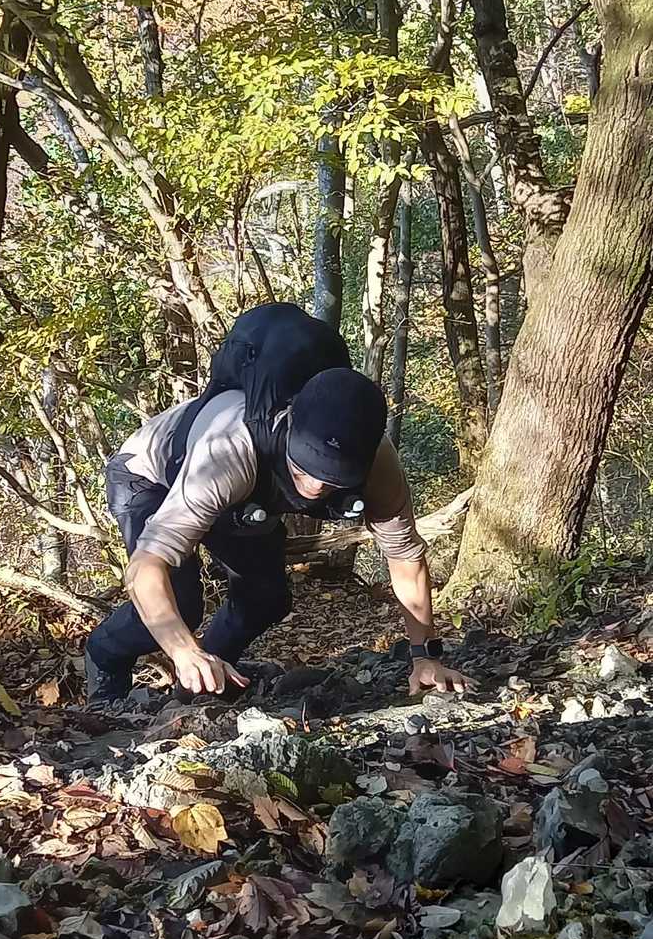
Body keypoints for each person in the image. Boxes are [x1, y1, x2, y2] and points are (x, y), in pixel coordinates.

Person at [85, 301, 468, 705]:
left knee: (264, 598)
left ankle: (198, 691)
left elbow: (405, 556)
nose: (316, 488)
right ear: (288, 433)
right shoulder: (229, 449)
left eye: (332, 482)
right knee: (180, 603)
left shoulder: (378, 463)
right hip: (150, 476)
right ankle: (105, 655)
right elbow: (146, 567)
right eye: (304, 471)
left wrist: (425, 657)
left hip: (242, 498)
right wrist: (183, 650)